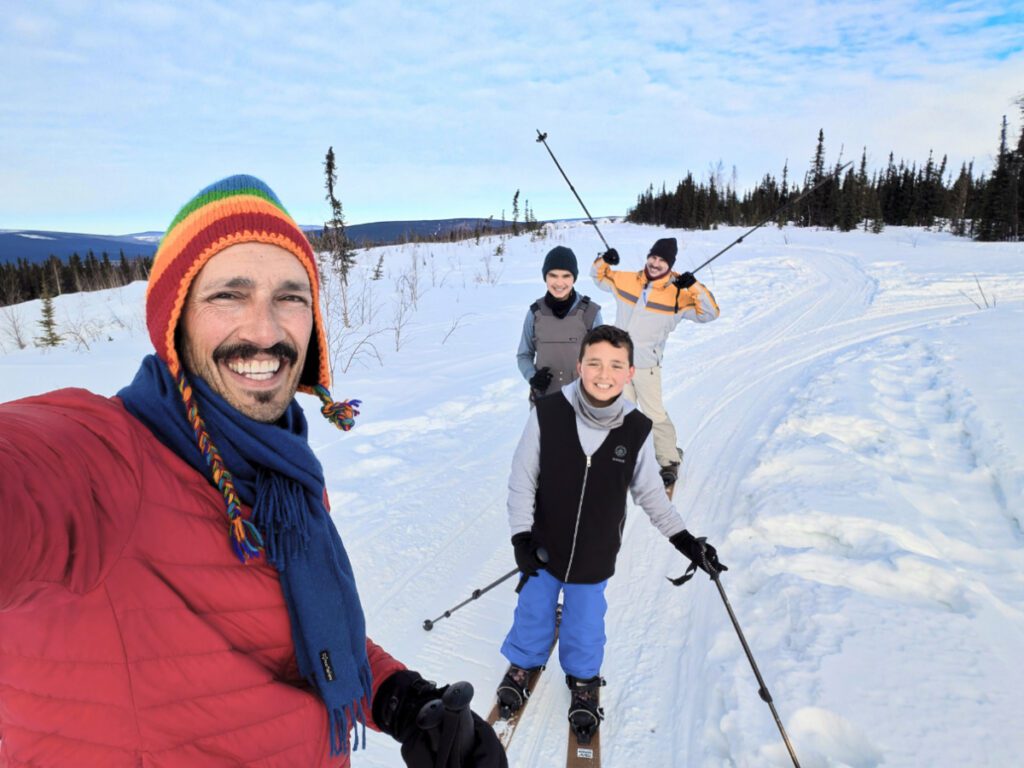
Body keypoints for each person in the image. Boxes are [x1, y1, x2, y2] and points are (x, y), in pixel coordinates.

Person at [0, 175, 504, 768]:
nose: (265, 331)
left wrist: (399, 698)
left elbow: (298, 627)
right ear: (175, 321)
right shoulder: (104, 458)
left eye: (290, 297)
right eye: (228, 295)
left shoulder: (282, 469)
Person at [496, 324, 726, 739]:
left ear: (630, 372)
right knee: (532, 609)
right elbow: (521, 480)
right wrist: (520, 537)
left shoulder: (636, 429)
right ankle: (523, 662)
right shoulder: (547, 413)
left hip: (595, 551)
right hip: (542, 546)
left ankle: (583, 680)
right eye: (596, 363)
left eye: (616, 365)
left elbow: (651, 495)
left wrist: (687, 542)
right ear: (580, 365)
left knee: (586, 622)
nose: (605, 374)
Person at [591, 237, 720, 487]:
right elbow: (598, 277)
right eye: (653, 256)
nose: (655, 263)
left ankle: (669, 460)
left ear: (670, 264)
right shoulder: (627, 280)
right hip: (618, 363)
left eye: (662, 260)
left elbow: (710, 313)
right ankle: (622, 457)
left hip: (646, 366)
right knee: (621, 412)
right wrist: (604, 260)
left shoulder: (678, 294)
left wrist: (694, 286)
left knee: (654, 414)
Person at [516, 245, 602, 402]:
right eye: (553, 275)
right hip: (545, 400)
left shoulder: (591, 313)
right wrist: (532, 377)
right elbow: (524, 355)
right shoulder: (534, 313)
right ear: (545, 277)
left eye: (566, 276)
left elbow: (602, 357)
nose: (559, 282)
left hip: (582, 400)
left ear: (574, 278)